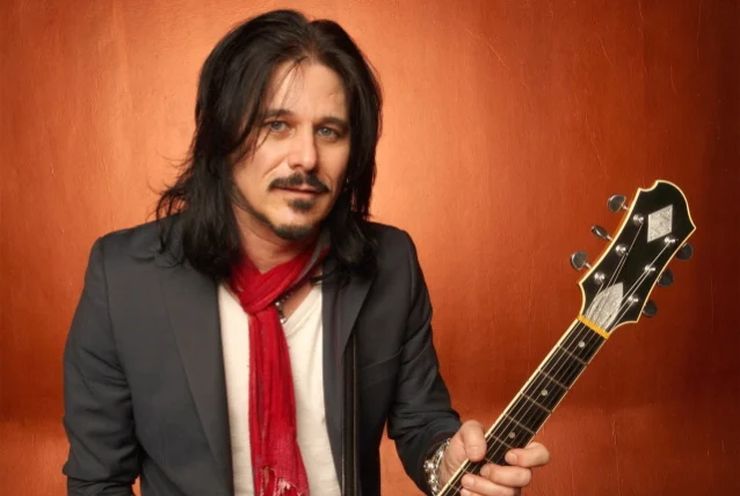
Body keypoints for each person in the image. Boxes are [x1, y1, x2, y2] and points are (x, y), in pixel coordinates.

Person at [62, 9, 549, 496]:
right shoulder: (125, 279)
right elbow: (97, 480)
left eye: (329, 131)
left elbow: (422, 423)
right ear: (222, 136)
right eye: (277, 125)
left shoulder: (391, 263)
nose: (307, 158)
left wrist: (450, 464)